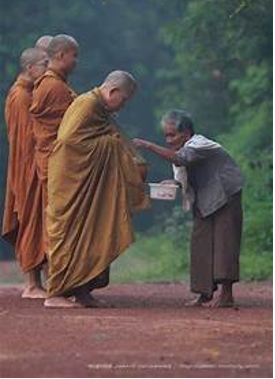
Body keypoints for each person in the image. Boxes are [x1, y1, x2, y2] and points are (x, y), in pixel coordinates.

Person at [45, 71, 150, 308]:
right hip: (71, 184)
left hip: (88, 185)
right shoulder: (87, 104)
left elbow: (101, 136)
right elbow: (69, 142)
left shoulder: (100, 109)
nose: (122, 107)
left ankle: (83, 292)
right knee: (70, 237)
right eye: (123, 100)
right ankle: (55, 295)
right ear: (112, 92)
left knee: (94, 233)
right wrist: (113, 145)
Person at [134, 110, 244, 308]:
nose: (168, 140)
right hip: (204, 198)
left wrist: (148, 145)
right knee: (199, 242)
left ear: (186, 133)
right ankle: (203, 293)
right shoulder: (182, 149)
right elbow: (182, 171)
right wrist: (173, 184)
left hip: (226, 194)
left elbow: (181, 159)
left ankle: (227, 294)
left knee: (224, 243)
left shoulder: (199, 144)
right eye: (166, 135)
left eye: (172, 135)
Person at [2, 48, 49, 298]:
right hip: (28, 168)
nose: (47, 68)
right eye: (44, 63)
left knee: (41, 222)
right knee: (31, 221)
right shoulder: (20, 96)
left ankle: (41, 282)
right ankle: (31, 284)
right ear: (31, 68)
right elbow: (27, 139)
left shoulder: (32, 92)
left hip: (35, 165)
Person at [30, 34, 78, 253]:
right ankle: (59, 280)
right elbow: (69, 129)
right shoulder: (53, 87)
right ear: (60, 55)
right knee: (60, 222)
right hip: (56, 163)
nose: (77, 61)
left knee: (58, 220)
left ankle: (60, 279)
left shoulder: (55, 84)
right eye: (74, 56)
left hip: (54, 162)